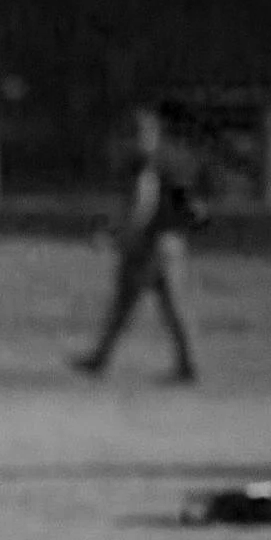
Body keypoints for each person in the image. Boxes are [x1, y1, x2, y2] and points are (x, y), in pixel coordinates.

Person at [70, 107, 207, 383]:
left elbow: (141, 206)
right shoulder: (170, 159)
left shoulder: (142, 165)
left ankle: (100, 359)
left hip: (148, 244)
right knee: (170, 307)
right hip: (171, 242)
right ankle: (186, 365)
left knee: (126, 303)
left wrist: (114, 235)